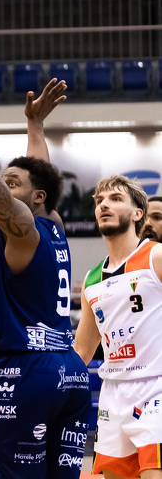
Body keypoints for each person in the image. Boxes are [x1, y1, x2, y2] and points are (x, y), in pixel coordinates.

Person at [0, 62, 90, 479]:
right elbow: (39, 177)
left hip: (26, 370)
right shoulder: (53, 224)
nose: (4, 190)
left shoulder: (24, 230)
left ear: (34, 198)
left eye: (12, 184)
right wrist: (35, 126)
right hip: (70, 371)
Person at [73, 173, 159, 477]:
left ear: (137, 213)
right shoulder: (91, 279)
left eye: (115, 198)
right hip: (112, 394)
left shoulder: (155, 256)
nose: (104, 205)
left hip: (155, 388)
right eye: (99, 201)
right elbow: (82, 351)